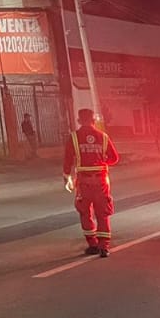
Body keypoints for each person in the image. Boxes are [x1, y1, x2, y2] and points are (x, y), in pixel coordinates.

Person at [62, 108, 119, 257]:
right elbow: (114, 158)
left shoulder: (74, 137)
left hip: (83, 183)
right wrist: (101, 160)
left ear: (79, 121)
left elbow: (68, 159)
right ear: (93, 120)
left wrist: (66, 176)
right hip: (101, 181)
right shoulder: (103, 137)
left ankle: (92, 245)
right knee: (103, 213)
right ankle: (103, 247)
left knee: (85, 212)